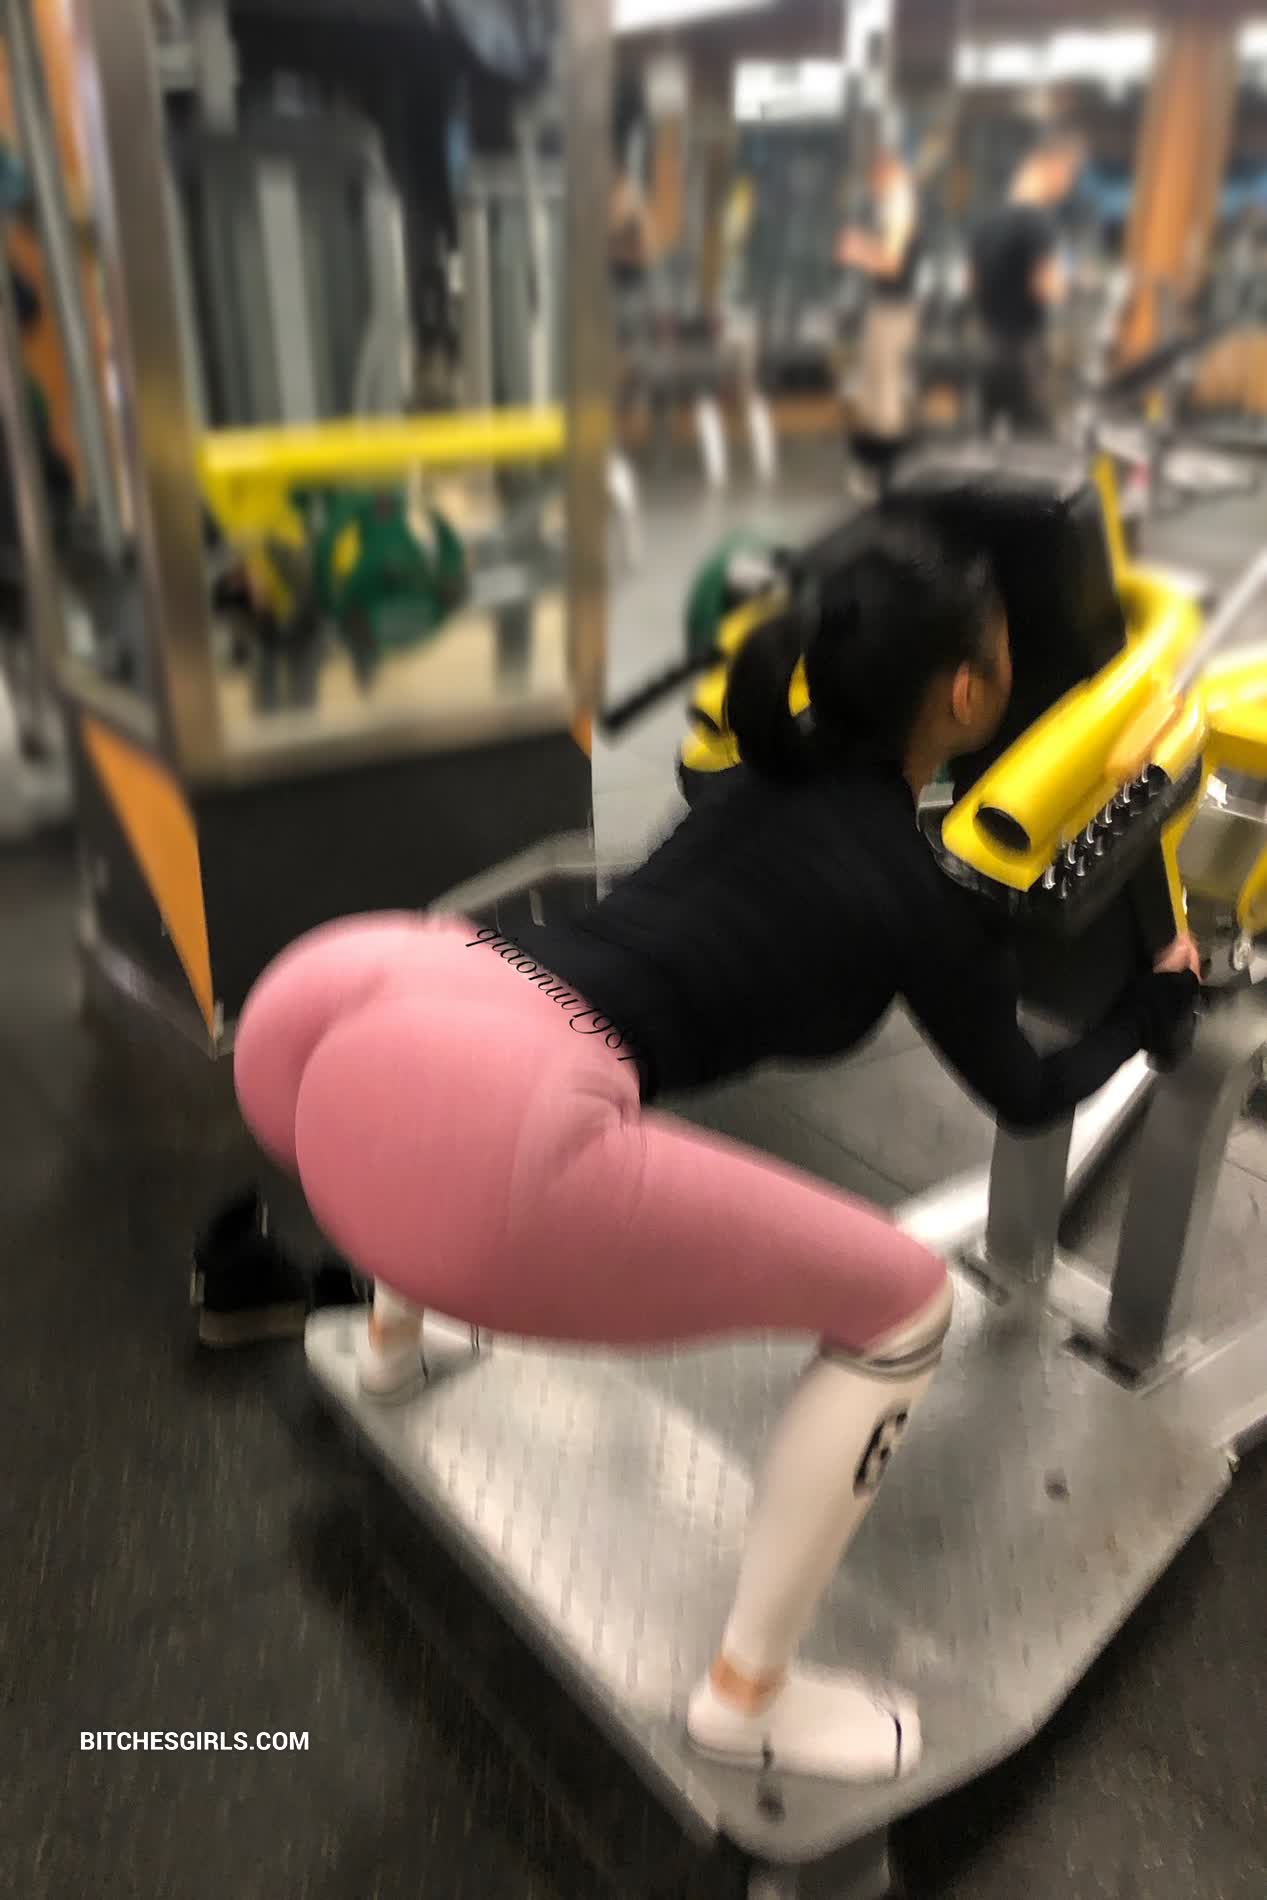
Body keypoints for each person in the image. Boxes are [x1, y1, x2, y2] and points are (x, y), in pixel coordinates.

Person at [233, 507, 1199, 1784]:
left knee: (474, 1091)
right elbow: (1029, 1093)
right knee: (903, 1309)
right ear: (968, 693)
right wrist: (1151, 1012)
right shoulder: (913, 896)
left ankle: (391, 1350)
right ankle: (747, 1701)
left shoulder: (754, 776)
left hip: (378, 996)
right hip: (496, 1125)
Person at [970, 132, 1085, 435]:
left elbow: (974, 285)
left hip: (987, 351)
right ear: (1053, 166)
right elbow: (1047, 289)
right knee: (1035, 449)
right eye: (1069, 174)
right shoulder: (1039, 223)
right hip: (1025, 358)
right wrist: (1068, 282)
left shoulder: (987, 221)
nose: (1068, 185)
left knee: (988, 444)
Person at [839, 147, 922, 482]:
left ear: (883, 174)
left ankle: (888, 470)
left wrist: (857, 252)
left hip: (893, 310)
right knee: (875, 388)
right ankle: (878, 466)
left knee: (884, 390)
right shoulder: (896, 205)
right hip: (888, 308)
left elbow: (892, 264)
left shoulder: (899, 205)